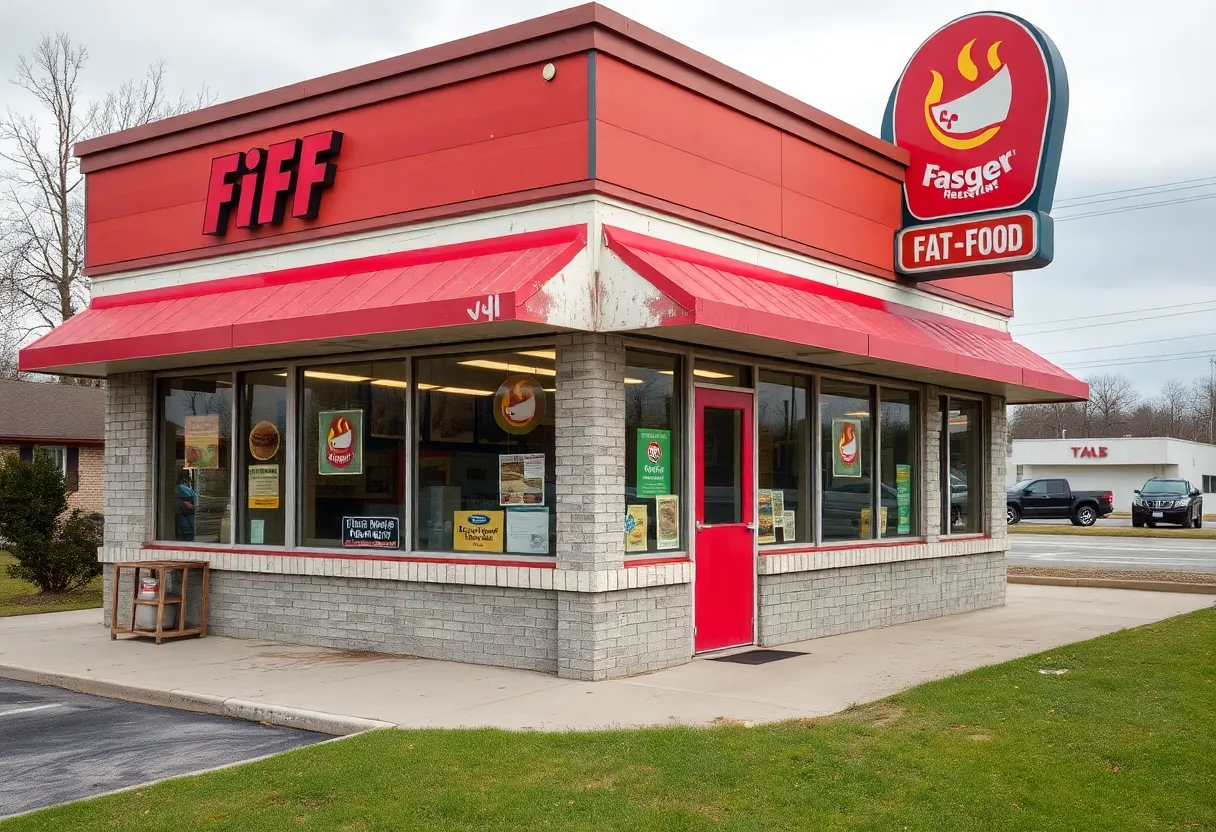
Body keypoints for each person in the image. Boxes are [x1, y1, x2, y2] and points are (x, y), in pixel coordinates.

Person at [176, 470, 197, 541]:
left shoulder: (185, 488)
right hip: (183, 511)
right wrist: (184, 503)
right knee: (186, 529)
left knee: (191, 528)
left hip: (189, 511)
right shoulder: (179, 487)